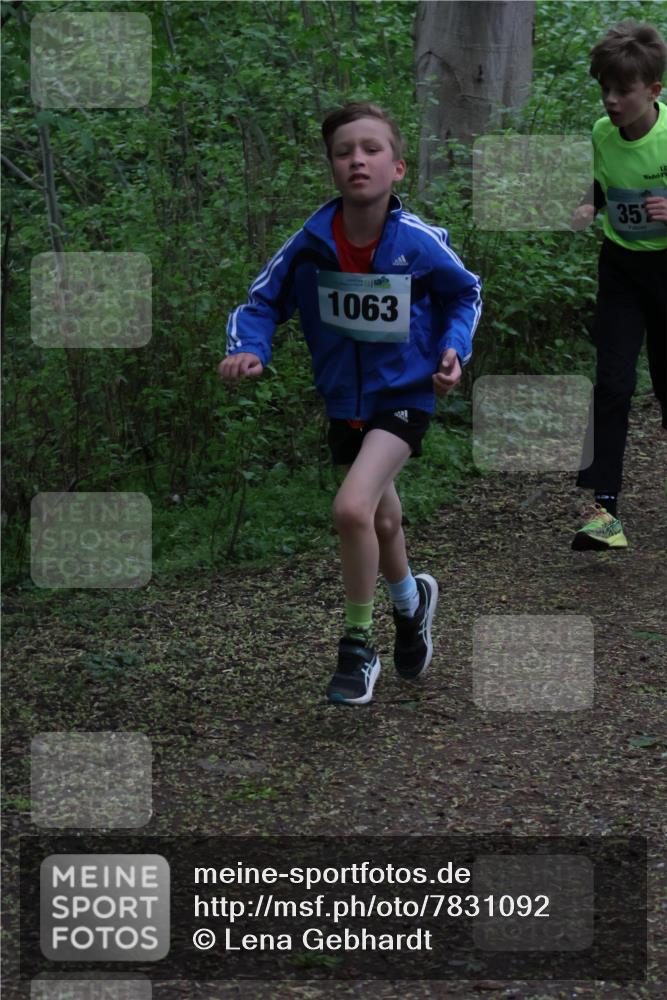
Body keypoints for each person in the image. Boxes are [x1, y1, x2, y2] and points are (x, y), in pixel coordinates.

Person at [220, 102, 481, 705]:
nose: (357, 160)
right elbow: (261, 302)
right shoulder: (311, 243)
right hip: (344, 398)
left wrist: (453, 350)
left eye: (371, 150)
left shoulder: (416, 243)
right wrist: (249, 348)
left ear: (398, 168)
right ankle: (412, 604)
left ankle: (358, 646)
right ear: (333, 167)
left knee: (350, 508)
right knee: (381, 521)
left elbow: (464, 294)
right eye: (344, 152)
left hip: (405, 395)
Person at [571, 20, 667, 550]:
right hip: (622, 269)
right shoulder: (601, 132)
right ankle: (604, 514)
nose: (610, 100)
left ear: (653, 90)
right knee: (612, 384)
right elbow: (603, 183)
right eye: (604, 88)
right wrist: (590, 203)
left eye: (622, 90)